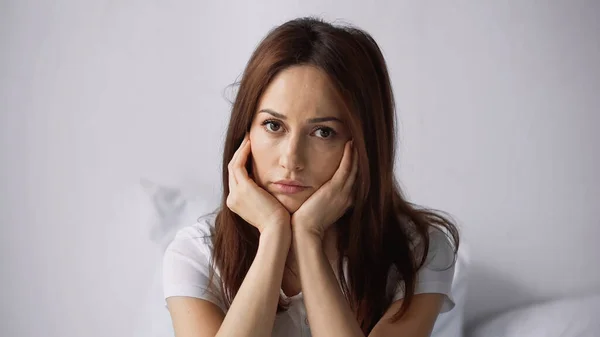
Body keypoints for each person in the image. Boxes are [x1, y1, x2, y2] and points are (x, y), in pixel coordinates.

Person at [162, 16, 460, 337]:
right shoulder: (198, 254)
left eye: (322, 131)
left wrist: (308, 235)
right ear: (245, 131)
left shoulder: (417, 249)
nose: (291, 159)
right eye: (274, 125)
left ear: (365, 143)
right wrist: (274, 234)